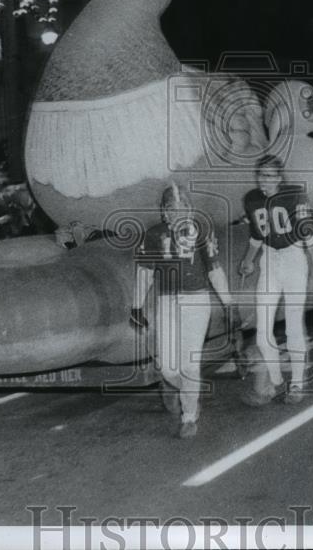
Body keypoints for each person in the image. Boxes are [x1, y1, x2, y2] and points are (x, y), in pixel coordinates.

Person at [132, 184, 232, 438]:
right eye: (170, 208)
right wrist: (136, 305)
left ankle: (189, 415)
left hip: (196, 300)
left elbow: (214, 269)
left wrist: (228, 303)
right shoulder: (154, 234)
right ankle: (188, 390)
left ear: (189, 208)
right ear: (164, 212)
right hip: (167, 300)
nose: (176, 213)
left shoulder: (201, 230)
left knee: (189, 363)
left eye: (180, 207)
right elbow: (145, 273)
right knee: (167, 367)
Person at [239, 155, 313, 406]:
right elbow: (256, 236)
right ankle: (277, 381)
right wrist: (248, 260)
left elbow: (308, 233)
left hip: (294, 258)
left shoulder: (294, 196)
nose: (265, 181)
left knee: (293, 327)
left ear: (280, 178)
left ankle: (297, 383)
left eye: (271, 176)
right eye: (261, 175)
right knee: (263, 333)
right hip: (270, 260)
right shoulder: (252, 199)